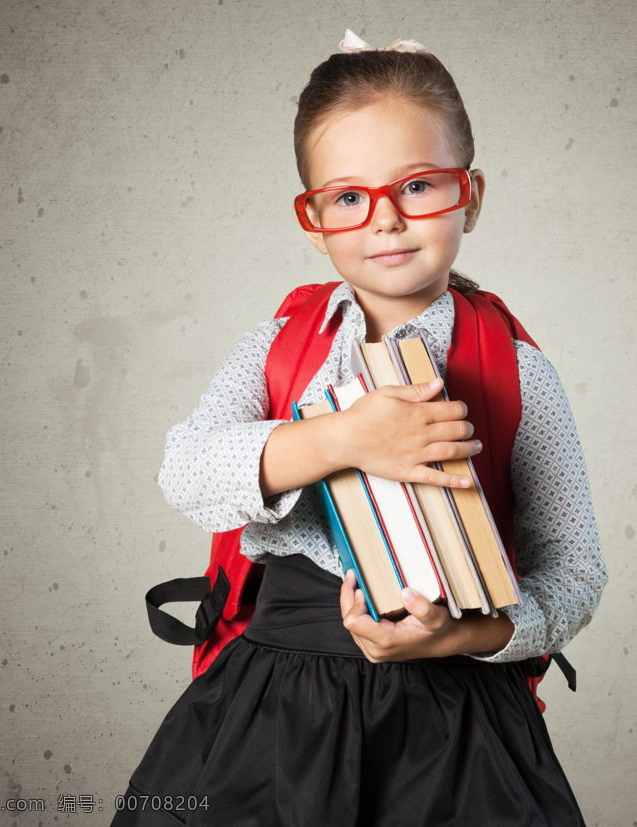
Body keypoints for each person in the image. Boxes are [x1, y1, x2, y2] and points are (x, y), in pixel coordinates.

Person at [112, 30, 606, 827]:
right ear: (313, 220)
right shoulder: (276, 346)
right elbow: (186, 470)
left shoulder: (520, 373)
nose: (385, 221)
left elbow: (575, 571)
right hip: (273, 710)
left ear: (470, 195)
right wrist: (345, 439)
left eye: (417, 186)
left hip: (457, 726)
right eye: (348, 197)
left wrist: (459, 636)